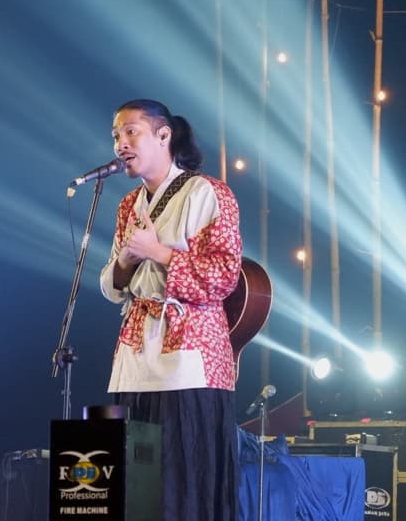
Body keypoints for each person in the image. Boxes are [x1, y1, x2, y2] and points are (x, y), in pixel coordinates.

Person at [100, 98, 242, 520]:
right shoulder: (128, 204)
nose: (121, 144)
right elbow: (112, 285)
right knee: (134, 481)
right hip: (136, 354)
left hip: (189, 357)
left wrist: (159, 252)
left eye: (130, 132)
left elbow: (223, 276)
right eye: (116, 136)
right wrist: (126, 261)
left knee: (184, 477)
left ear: (164, 134)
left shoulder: (209, 192)